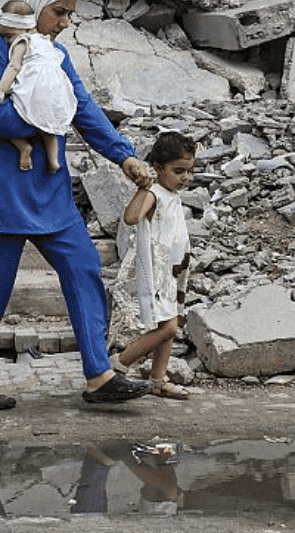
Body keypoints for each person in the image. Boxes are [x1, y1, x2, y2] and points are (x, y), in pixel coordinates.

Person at [0, 0, 156, 412]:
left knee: (83, 266)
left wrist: (125, 156)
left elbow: (82, 106)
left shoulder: (53, 54)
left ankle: (99, 374)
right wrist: (53, 115)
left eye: (68, 14)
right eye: (59, 12)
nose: (64, 22)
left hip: (47, 186)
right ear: (35, 5)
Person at [109, 132, 196, 399]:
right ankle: (118, 366)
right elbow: (132, 217)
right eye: (178, 171)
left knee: (170, 326)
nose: (185, 178)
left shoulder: (171, 194)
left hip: (172, 271)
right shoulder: (155, 194)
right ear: (158, 168)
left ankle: (158, 379)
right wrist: (143, 188)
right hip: (155, 271)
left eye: (189, 172)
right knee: (167, 328)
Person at [0, 0, 70, 174]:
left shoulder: (23, 41)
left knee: (15, 113)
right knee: (49, 127)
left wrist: (0, 90)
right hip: (56, 91)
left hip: (35, 88)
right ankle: (53, 160)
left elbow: (14, 66)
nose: (7, 41)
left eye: (9, 36)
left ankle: (23, 147)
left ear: (25, 28)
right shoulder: (46, 41)